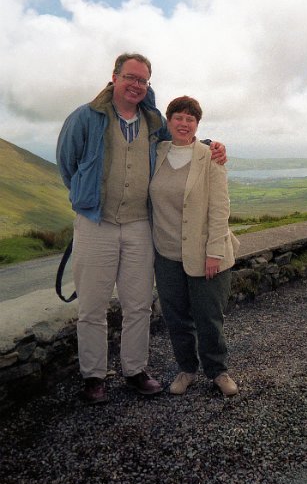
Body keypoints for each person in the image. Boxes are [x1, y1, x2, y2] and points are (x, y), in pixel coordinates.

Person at [56, 54, 226, 405]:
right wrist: (86, 198)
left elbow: (181, 142)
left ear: (148, 85)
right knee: (92, 307)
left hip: (138, 226)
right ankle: (93, 377)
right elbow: (67, 165)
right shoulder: (85, 117)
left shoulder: (152, 120)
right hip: (95, 223)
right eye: (130, 77)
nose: (136, 85)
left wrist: (211, 145)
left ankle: (135, 371)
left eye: (143, 80)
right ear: (115, 77)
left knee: (138, 305)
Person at [149, 96, 240, 397]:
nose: (184, 123)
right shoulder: (157, 153)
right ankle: (186, 369)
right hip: (166, 252)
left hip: (204, 253)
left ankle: (218, 371)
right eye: (178, 117)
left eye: (190, 119)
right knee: (176, 318)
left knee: (209, 318)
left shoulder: (210, 156)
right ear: (168, 121)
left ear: (197, 124)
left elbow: (220, 208)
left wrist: (214, 252)